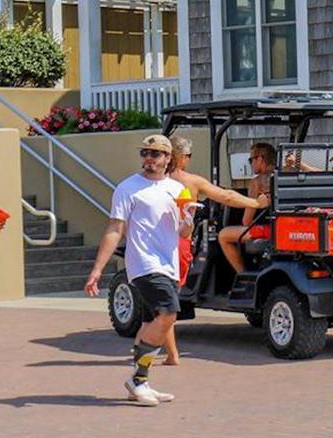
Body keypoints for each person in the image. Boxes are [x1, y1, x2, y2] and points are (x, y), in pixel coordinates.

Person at [83, 133, 191, 407]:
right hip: (143, 263)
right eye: (145, 153)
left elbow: (183, 232)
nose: (148, 159)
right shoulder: (128, 188)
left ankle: (140, 383)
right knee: (169, 314)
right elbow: (115, 229)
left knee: (150, 322)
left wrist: (189, 219)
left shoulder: (178, 190)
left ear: (168, 158)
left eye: (155, 154)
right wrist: (98, 269)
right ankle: (138, 379)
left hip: (168, 264)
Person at [160, 134, 264, 365]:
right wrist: (255, 203)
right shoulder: (190, 181)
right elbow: (226, 196)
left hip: (152, 241)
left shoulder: (151, 180)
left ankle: (166, 349)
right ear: (183, 157)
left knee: (161, 297)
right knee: (169, 296)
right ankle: (170, 352)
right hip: (179, 241)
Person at [218, 141, 277, 277]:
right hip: (286, 228)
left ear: (261, 159)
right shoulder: (288, 174)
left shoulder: (257, 182)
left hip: (267, 230)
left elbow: (246, 221)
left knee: (224, 235)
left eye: (251, 159)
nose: (250, 163)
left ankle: (242, 275)